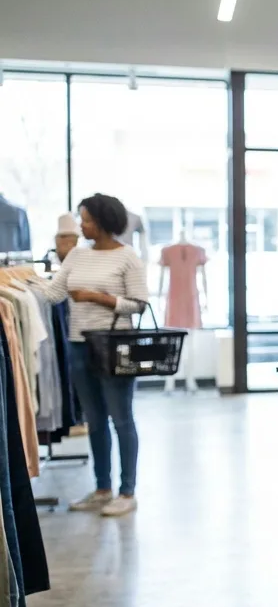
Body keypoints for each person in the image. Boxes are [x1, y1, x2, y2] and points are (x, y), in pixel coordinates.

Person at [35, 194, 148, 517]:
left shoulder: (127, 257)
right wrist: (25, 285)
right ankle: (102, 488)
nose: (80, 225)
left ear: (102, 221)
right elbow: (54, 293)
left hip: (115, 346)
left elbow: (139, 303)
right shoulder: (76, 257)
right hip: (79, 345)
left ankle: (127, 491)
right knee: (95, 420)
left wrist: (98, 298)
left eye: (85, 219)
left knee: (121, 418)